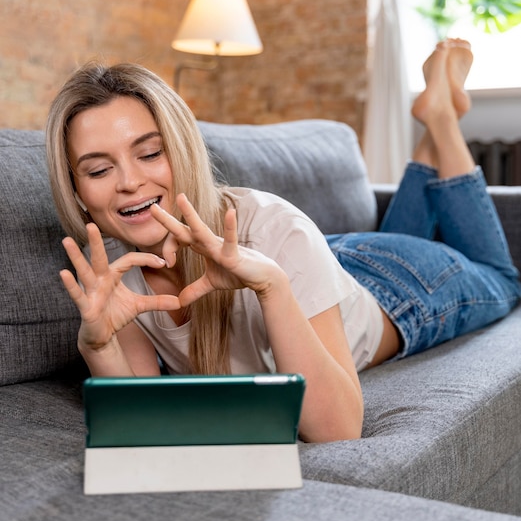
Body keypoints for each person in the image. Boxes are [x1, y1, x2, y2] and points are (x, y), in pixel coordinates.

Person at [46, 39, 520, 443]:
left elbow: (337, 430)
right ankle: (434, 124)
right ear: (79, 192)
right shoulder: (111, 276)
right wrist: (99, 345)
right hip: (325, 261)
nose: (128, 182)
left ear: (183, 150)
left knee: (503, 278)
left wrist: (273, 287)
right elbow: (140, 425)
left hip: (396, 287)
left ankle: (440, 120)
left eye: (149, 153)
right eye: (99, 169)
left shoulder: (274, 226)